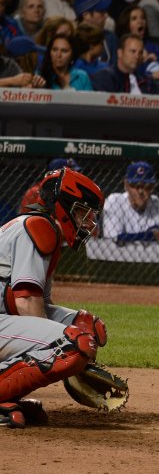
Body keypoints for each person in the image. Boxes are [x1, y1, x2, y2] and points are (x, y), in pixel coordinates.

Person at [0, 166, 109, 429]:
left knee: (87, 328)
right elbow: (26, 302)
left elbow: (25, 303)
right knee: (74, 344)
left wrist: (71, 340)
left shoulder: (35, 226)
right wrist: (66, 352)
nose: (87, 223)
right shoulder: (39, 228)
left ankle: (8, 394)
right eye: (82, 212)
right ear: (64, 207)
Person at [102, 161, 159, 243]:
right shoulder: (114, 202)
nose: (141, 191)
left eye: (146, 186)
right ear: (126, 185)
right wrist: (151, 236)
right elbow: (112, 240)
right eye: (135, 186)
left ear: (152, 187)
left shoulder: (158, 205)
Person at [90, 33, 155, 93]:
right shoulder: (105, 77)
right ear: (120, 53)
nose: (137, 56)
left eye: (140, 53)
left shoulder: (147, 81)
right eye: (133, 51)